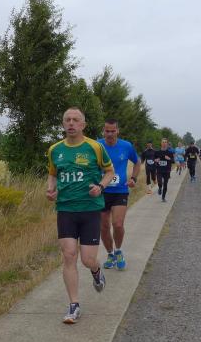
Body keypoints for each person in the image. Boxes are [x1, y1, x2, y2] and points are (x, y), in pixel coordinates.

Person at [47, 107, 115, 323]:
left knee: (87, 259)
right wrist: (51, 189)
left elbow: (110, 171)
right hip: (65, 209)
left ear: (83, 125)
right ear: (63, 124)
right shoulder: (55, 149)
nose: (71, 123)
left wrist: (101, 187)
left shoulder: (95, 147)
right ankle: (74, 305)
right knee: (69, 255)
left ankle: (96, 271)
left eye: (75, 120)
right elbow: (53, 174)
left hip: (90, 209)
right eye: (67, 119)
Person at [97, 119, 140, 271]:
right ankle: (110, 254)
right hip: (101, 191)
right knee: (104, 227)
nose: (109, 134)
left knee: (118, 224)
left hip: (120, 191)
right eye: (107, 131)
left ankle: (119, 251)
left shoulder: (126, 146)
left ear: (117, 131)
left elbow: (137, 162)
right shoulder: (97, 145)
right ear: (103, 131)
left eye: (112, 131)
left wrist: (133, 178)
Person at [154, 138, 175, 202]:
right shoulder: (157, 152)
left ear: (167, 144)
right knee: (159, 181)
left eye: (165, 142)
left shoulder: (169, 153)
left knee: (165, 184)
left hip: (167, 170)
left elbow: (173, 161)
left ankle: (163, 197)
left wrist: (169, 159)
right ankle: (160, 187)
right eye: (163, 142)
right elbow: (153, 159)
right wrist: (156, 160)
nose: (164, 143)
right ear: (161, 143)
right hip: (159, 170)